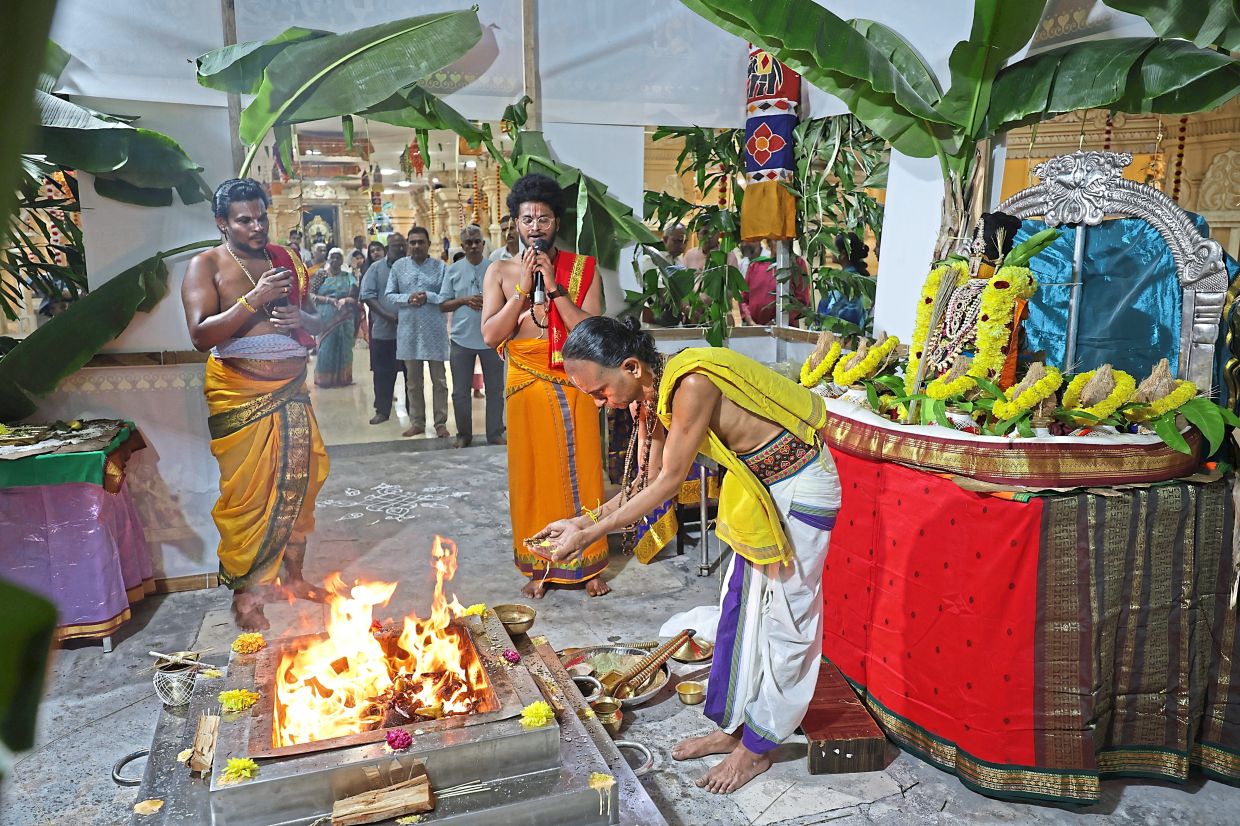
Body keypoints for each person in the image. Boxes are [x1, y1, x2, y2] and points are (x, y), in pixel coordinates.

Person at [534, 316, 840, 793]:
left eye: (600, 391)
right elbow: (643, 485)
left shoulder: (691, 384)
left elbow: (669, 484)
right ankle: (733, 728)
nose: (600, 404)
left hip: (799, 485)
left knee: (786, 620)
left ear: (631, 367)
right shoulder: (655, 395)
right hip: (759, 489)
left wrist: (592, 533)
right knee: (740, 613)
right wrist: (581, 523)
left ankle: (757, 750)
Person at [180, 178, 329, 631]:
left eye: (261, 217)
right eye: (245, 219)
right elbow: (200, 335)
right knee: (249, 496)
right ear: (222, 222)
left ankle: (295, 576)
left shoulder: (284, 260)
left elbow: (317, 320)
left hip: (292, 389)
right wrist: (254, 299)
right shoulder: (205, 265)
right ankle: (248, 599)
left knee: (303, 482)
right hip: (240, 394)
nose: (257, 226)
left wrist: (300, 317)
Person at [481, 172, 609, 598]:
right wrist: (521, 290)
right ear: (514, 223)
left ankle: (588, 564)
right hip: (525, 384)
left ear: (558, 222)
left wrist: (553, 287)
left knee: (582, 472)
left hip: (574, 382)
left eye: (544, 219)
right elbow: (490, 336)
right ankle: (541, 563)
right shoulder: (499, 272)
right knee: (533, 476)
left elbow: (591, 331)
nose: (535, 227)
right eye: (527, 219)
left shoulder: (582, 269)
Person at [440, 225, 505, 448]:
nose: (474, 246)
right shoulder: (453, 270)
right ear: (463, 246)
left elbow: (507, 301)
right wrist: (465, 300)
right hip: (461, 340)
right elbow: (443, 304)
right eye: (469, 243)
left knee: (495, 390)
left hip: (492, 340)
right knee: (460, 392)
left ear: (483, 244)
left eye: (477, 241)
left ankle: (495, 433)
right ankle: (463, 434)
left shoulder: (495, 268)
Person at [386, 226, 450, 439]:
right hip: (409, 332)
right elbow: (389, 295)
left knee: (439, 381)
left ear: (428, 244)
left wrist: (428, 297)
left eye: (420, 242)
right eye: (412, 242)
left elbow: (447, 296)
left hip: (434, 332)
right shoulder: (398, 267)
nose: (416, 246)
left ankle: (440, 423)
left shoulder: (440, 267)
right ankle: (417, 422)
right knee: (413, 382)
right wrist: (408, 298)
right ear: (407, 245)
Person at [359, 233, 407, 424]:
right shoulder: (376, 269)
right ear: (388, 248)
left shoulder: (412, 267)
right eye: (396, 246)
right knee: (383, 373)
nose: (401, 250)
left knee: (412, 375)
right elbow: (367, 295)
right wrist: (388, 316)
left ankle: (414, 411)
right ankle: (382, 410)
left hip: (409, 332)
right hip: (384, 331)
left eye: (403, 246)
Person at [310, 248, 360, 387]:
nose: (335, 261)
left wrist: (347, 299)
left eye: (338, 258)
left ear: (342, 260)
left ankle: (344, 378)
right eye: (333, 257)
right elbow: (310, 295)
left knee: (344, 346)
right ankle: (324, 379)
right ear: (328, 259)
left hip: (344, 315)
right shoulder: (321, 275)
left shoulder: (348, 276)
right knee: (326, 347)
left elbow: (354, 292)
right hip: (326, 315)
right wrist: (329, 300)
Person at [738, 242, 811, 326]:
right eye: (775, 239)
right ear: (769, 242)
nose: (780, 241)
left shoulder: (797, 264)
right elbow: (743, 299)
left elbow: (801, 301)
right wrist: (750, 321)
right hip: (754, 330)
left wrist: (776, 322)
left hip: (784, 330)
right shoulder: (756, 265)